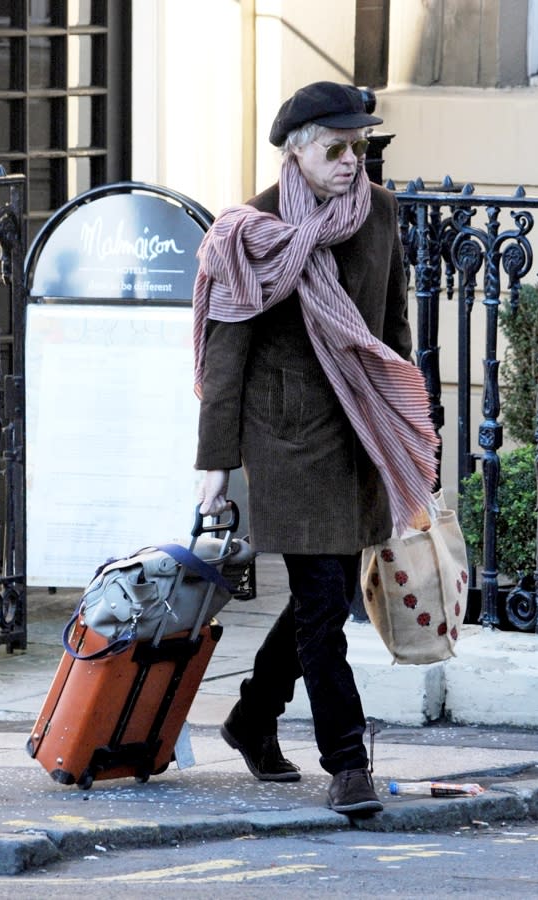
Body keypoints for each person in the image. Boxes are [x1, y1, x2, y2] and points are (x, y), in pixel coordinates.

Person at [192, 82, 438, 816]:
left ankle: (250, 716)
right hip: (286, 438)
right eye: (335, 148)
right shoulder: (250, 231)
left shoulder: (379, 214)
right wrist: (215, 465)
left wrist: (408, 424)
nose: (350, 160)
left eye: (358, 146)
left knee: (316, 600)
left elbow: (391, 332)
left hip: (358, 430)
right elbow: (226, 357)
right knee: (324, 609)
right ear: (295, 153)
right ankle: (347, 764)